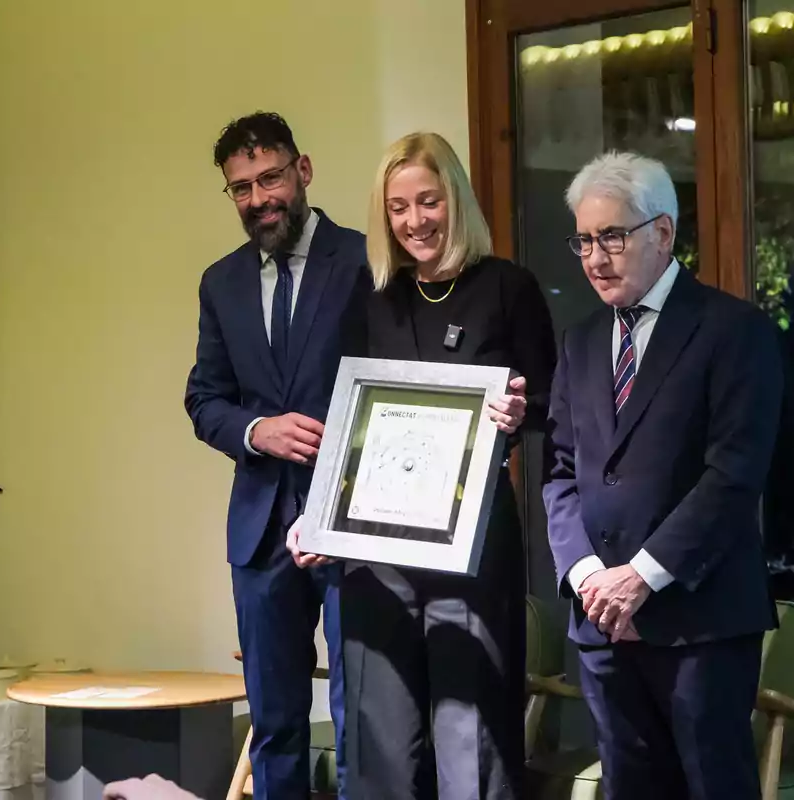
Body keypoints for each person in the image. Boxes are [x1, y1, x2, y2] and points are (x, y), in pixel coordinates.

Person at [289, 132, 556, 800]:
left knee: (473, 735)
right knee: (380, 736)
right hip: (375, 552)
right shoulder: (371, 295)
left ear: (455, 200)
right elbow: (347, 419)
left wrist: (521, 412)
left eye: (428, 202)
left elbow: (554, 403)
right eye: (399, 208)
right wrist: (316, 519)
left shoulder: (508, 289)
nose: (415, 222)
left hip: (471, 545)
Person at [543, 151, 783, 799]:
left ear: (663, 233)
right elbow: (560, 474)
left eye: (612, 238)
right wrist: (590, 577)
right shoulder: (582, 340)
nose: (595, 258)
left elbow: (733, 476)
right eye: (584, 241)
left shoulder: (734, 331)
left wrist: (642, 575)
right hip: (601, 623)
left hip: (698, 621)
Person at [184, 111, 369, 798]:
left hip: (356, 524)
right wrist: (255, 431)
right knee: (274, 723)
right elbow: (205, 399)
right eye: (241, 188)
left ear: (304, 171)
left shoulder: (364, 260)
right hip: (260, 531)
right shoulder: (220, 282)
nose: (259, 199)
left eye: (271, 178)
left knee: (362, 722)